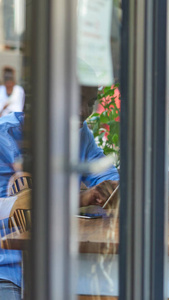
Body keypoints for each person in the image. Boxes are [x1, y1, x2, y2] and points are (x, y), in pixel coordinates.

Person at [0, 85, 119, 299]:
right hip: (7, 270)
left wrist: (114, 188)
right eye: (76, 100)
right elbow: (5, 207)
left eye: (91, 102)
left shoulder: (80, 133)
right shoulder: (4, 138)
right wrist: (80, 197)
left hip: (60, 265)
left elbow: (107, 177)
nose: (83, 111)